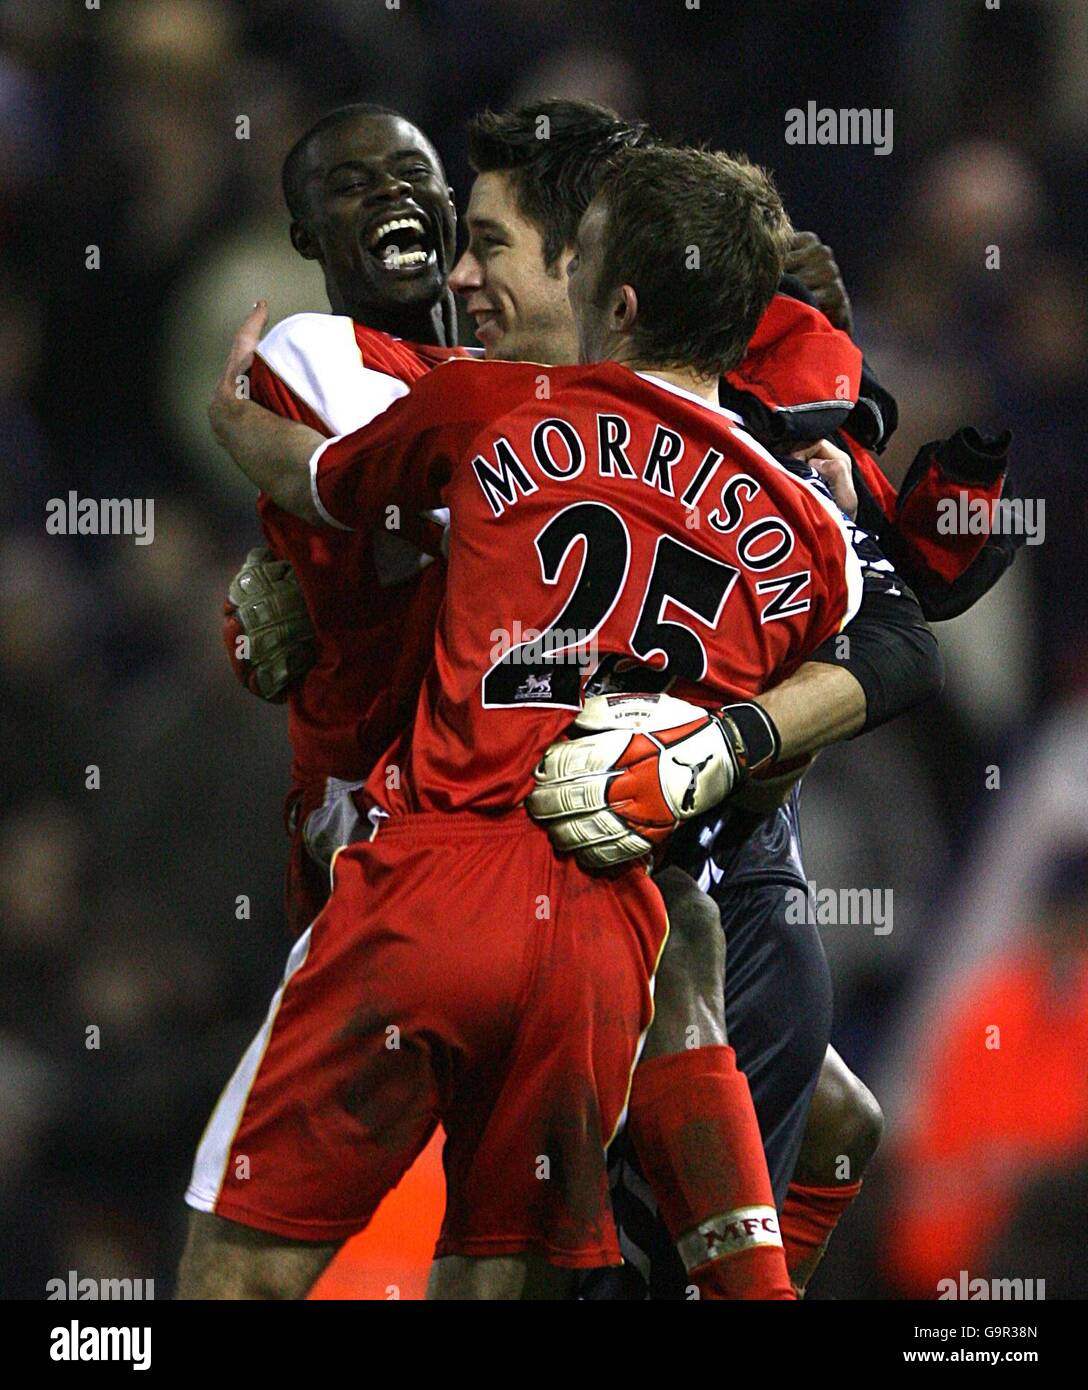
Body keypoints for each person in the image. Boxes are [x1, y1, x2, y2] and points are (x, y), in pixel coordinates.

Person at [179, 143, 891, 1300]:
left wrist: (236, 435)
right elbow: (868, 659)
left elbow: (332, 481)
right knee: (505, 1275)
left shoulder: (481, 403)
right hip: (614, 928)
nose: (466, 272)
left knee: (241, 1274)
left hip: (438, 878)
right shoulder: (810, 528)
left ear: (608, 295)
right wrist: (729, 746)